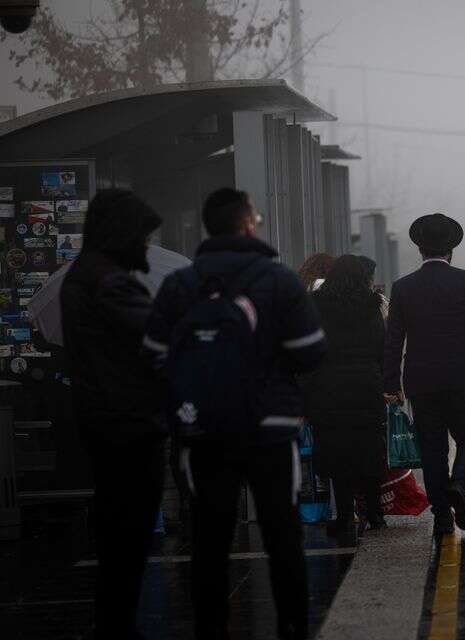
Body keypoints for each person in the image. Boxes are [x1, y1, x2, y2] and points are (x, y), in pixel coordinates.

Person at [143, 188, 325, 640]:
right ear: (248, 224)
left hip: (203, 429)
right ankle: (292, 627)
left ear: (208, 227)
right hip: (270, 428)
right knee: (282, 533)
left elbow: (153, 355)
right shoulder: (279, 280)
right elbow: (311, 353)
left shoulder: (180, 285)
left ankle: (211, 628)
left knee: (209, 538)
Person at [60, 189, 165, 640]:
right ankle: (118, 626)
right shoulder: (111, 282)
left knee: (117, 533)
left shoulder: (83, 275)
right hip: (130, 422)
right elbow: (159, 337)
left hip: (104, 418)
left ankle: (114, 621)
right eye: (142, 236)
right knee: (130, 533)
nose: (145, 245)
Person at [384, 213, 465, 536]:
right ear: (451, 251)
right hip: (464, 377)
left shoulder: (403, 288)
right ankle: (461, 486)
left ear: (420, 251)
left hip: (421, 382)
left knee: (432, 449)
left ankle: (441, 517)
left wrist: (390, 384)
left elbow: (393, 340)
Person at [300, 255, 387, 543]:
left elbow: (309, 348)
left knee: (336, 452)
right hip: (366, 386)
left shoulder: (316, 304)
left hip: (328, 387)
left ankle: (344, 515)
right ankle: (375, 514)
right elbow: (380, 345)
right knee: (369, 448)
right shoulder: (372, 304)